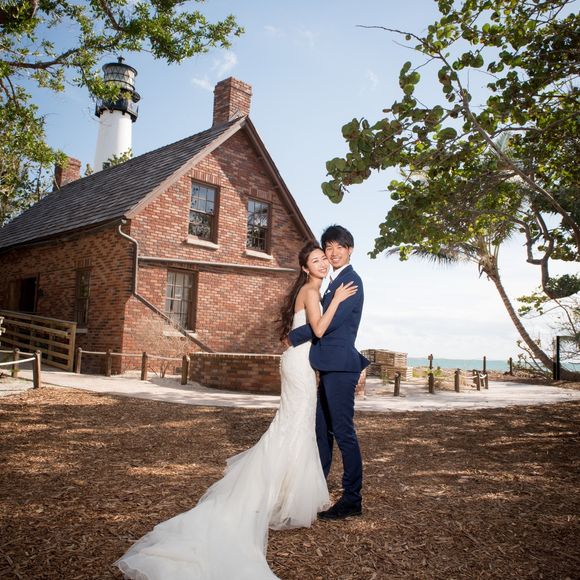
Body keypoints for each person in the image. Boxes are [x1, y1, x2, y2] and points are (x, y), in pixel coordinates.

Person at [115, 241, 358, 580]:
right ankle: (277, 496)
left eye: (323, 259)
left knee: (294, 426)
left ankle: (285, 494)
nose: (322, 263)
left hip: (298, 362)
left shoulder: (310, 290)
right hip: (300, 365)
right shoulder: (312, 291)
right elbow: (318, 330)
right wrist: (339, 301)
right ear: (305, 267)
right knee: (294, 426)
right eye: (315, 259)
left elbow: (300, 332)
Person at [288, 225, 369, 521]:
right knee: (322, 432)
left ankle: (352, 499)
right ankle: (317, 490)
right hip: (328, 366)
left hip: (340, 367)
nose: (333, 253)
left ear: (350, 250)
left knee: (344, 433)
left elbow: (327, 325)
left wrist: (294, 336)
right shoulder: (333, 283)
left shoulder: (351, 281)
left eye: (339, 247)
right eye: (329, 248)